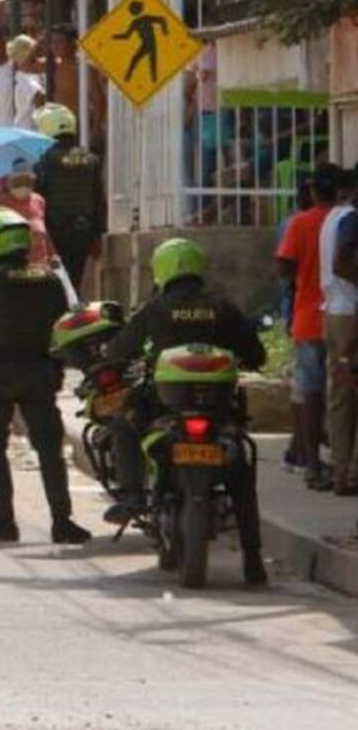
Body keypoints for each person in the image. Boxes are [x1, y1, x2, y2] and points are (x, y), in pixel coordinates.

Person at [103, 238, 268, 582]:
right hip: (219, 409)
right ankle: (253, 560)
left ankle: (133, 496)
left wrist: (115, 359)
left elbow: (120, 350)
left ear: (162, 271)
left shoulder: (155, 309)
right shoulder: (223, 307)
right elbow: (256, 355)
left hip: (167, 404)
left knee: (122, 424)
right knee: (240, 472)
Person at [0, 209, 91, 545]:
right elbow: (63, 326)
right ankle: (62, 522)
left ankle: (4, 523)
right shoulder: (48, 279)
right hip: (40, 372)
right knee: (50, 450)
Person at [276, 172, 335, 491]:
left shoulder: (300, 223)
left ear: (312, 192)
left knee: (308, 392)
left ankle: (310, 462)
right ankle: (339, 461)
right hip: (343, 316)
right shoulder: (344, 220)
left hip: (309, 317)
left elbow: (284, 266)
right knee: (339, 393)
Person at [33, 103, 105, 292]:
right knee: (74, 284)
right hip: (83, 232)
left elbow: (38, 197)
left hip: (54, 232)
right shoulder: (91, 159)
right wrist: (97, 234)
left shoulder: (44, 160)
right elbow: (98, 199)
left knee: (55, 286)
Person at [324, 166, 358, 497]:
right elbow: (340, 263)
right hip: (349, 313)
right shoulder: (351, 219)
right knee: (348, 394)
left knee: (339, 397)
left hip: (333, 311)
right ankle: (348, 472)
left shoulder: (331, 217)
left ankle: (341, 469)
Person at [0, 158, 55, 267]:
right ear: (10, 183)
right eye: (18, 182)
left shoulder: (39, 200)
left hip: (40, 263)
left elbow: (44, 231)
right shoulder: (2, 204)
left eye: (26, 181)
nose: (22, 186)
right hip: (14, 265)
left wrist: (53, 254)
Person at [8, 35, 46, 129]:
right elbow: (38, 96)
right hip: (30, 129)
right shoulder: (24, 76)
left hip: (26, 128)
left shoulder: (29, 74)